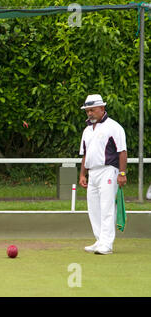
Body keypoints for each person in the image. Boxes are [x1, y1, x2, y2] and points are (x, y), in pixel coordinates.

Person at [79, 94, 127, 255]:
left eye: (92, 110)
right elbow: (85, 155)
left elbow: (122, 151)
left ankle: (107, 244)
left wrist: (122, 173)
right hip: (92, 173)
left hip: (108, 170)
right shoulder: (87, 131)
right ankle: (99, 240)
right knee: (93, 208)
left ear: (102, 108)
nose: (89, 114)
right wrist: (82, 175)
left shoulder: (114, 127)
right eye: (87, 111)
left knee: (107, 208)